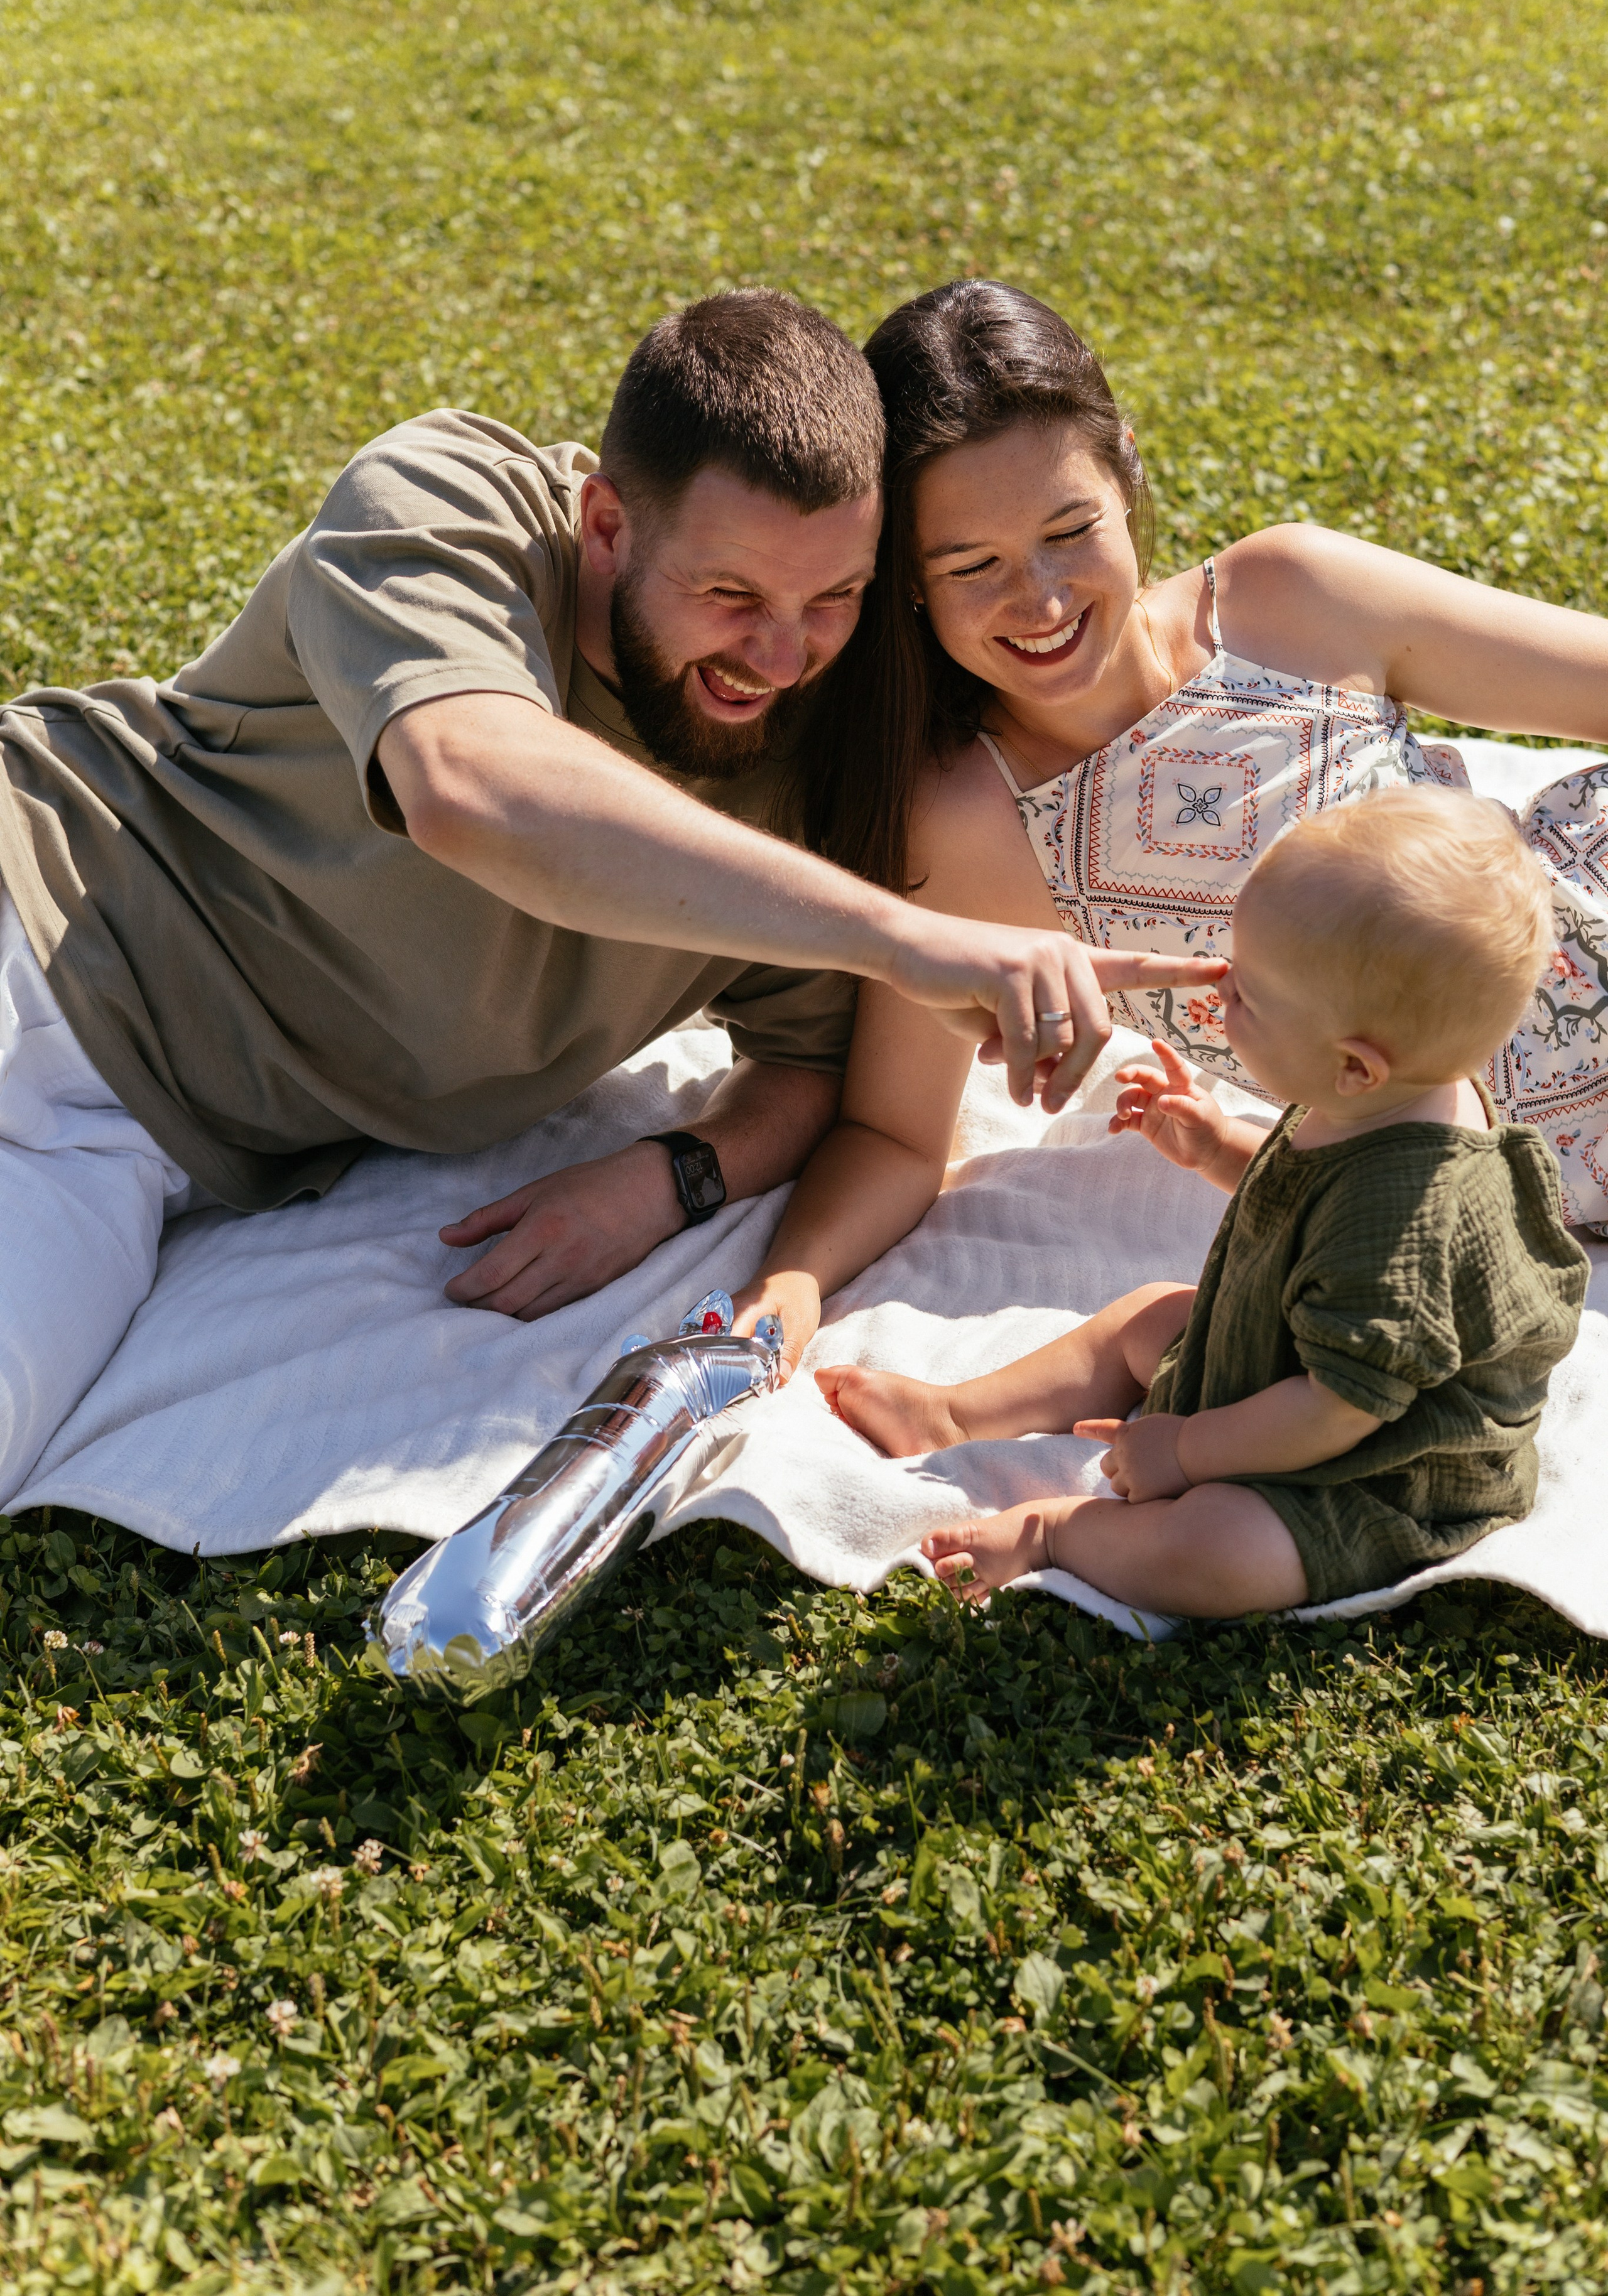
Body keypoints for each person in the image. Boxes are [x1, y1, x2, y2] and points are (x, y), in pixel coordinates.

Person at [0, 288, 1223, 1505]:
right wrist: (911, 941)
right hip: (35, 913)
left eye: (833, 600)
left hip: (128, 1151)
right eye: (731, 597)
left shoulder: (809, 770)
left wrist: (671, 1177)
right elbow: (469, 786)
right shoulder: (450, 506)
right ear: (604, 525)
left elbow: (811, 1072)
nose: (782, 657)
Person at [732, 278, 1608, 1368]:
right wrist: (784, 1297)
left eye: (1070, 531)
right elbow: (896, 1134)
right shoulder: (965, 823)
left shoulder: (1287, 598)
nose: (1042, 600)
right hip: (1532, 1163)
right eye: (973, 568)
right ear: (907, 583)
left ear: (1126, 471)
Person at [817, 793, 1590, 1618]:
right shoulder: (1389, 1094)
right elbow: (1313, 1196)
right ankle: (951, 1417)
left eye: (1251, 995)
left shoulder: (1405, 1227)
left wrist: (1185, 1450)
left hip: (1379, 1465)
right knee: (1152, 1318)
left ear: (1355, 1067)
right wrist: (1218, 1144)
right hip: (1299, 1361)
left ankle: (1057, 1533)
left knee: (1220, 1549)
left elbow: (1339, 1408)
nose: (1223, 989)